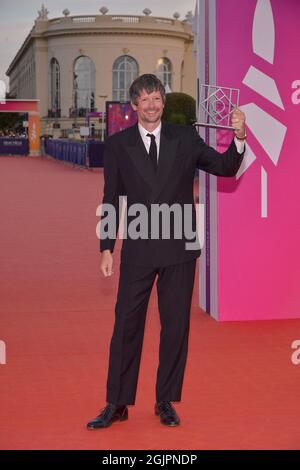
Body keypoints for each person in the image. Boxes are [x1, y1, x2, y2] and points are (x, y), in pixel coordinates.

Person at [87, 74, 246, 429]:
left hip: (179, 248)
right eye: (144, 99)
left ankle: (165, 400)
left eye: (156, 98)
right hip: (140, 248)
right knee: (127, 324)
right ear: (133, 106)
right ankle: (117, 402)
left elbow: (225, 167)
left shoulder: (185, 137)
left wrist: (239, 137)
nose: (151, 105)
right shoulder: (117, 145)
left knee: (175, 328)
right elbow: (111, 198)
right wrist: (106, 248)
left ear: (164, 101)